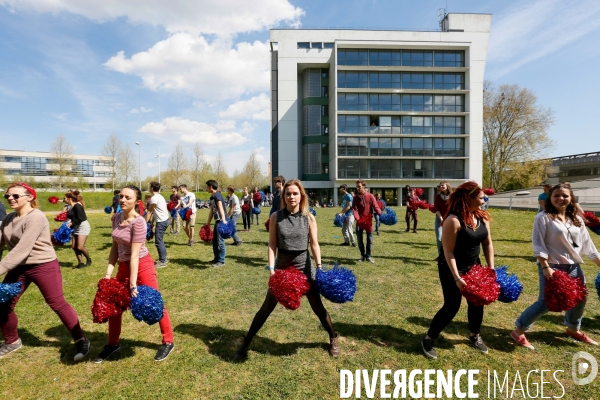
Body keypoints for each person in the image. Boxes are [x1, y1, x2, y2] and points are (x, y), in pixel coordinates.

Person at [234, 179, 339, 360]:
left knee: (318, 307)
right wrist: (272, 269)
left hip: (305, 268)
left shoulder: (309, 217)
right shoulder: (276, 216)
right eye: (288, 193)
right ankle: (246, 342)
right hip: (282, 269)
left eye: (295, 193)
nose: (291, 196)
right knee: (265, 309)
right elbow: (272, 245)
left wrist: (319, 268)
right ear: (284, 196)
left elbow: (314, 245)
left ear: (301, 196)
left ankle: (333, 336)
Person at [0, 182, 90, 361]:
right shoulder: (9, 219)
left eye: (15, 195)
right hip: (18, 267)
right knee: (3, 303)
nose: (10, 198)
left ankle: (81, 339)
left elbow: (22, 250)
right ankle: (12, 341)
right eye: (7, 196)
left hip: (43, 265)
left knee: (57, 303)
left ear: (30, 197)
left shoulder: (36, 217)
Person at [511, 183, 600, 350]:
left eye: (565, 196)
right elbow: (538, 244)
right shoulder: (543, 217)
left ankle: (573, 329)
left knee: (580, 298)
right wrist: (545, 267)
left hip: (574, 267)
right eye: (556, 196)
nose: (561, 198)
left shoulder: (576, 219)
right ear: (550, 198)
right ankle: (518, 331)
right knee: (545, 303)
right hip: (552, 266)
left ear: (571, 198)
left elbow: (589, 246)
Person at [94, 185, 174, 363]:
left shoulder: (139, 222)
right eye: (121, 196)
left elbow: (135, 254)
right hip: (123, 265)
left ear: (136, 201)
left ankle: (168, 341)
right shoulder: (115, 218)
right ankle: (113, 343)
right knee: (115, 304)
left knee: (154, 302)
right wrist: (108, 273)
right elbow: (115, 246)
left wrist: (132, 285)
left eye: (127, 198)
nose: (122, 200)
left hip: (142, 266)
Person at [422, 181, 494, 360]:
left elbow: (487, 242)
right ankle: (428, 338)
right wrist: (456, 277)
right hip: (451, 267)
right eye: (480, 197)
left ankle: (475, 335)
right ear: (468, 199)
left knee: (477, 302)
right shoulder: (453, 220)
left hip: (474, 266)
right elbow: (448, 251)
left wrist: (491, 267)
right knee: (452, 305)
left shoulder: (482, 217)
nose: (484, 198)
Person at [352, 179, 382, 263]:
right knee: (359, 239)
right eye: (357, 187)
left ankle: (368, 256)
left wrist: (380, 214)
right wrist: (358, 219)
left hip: (368, 220)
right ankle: (362, 255)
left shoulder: (370, 196)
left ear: (363, 186)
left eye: (359, 186)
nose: (358, 188)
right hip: (359, 221)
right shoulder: (355, 198)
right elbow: (354, 209)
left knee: (369, 239)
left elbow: (375, 206)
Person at [205, 180, 228, 267]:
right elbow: (212, 211)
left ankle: (221, 261)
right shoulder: (212, 197)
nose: (206, 188)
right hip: (217, 221)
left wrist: (223, 220)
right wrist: (208, 223)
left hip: (221, 221)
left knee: (220, 241)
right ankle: (216, 258)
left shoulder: (217, 196)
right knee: (214, 241)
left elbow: (221, 208)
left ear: (211, 187)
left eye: (207, 187)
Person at [146, 182, 169, 268]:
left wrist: (144, 223)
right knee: (160, 240)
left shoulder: (154, 198)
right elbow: (155, 212)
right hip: (164, 220)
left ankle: (162, 261)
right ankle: (164, 258)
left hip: (162, 221)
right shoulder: (160, 196)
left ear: (152, 188)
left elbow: (149, 212)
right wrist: (151, 223)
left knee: (158, 241)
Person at [66, 192, 92, 268]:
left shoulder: (77, 206)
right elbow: (74, 217)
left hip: (83, 226)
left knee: (80, 247)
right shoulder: (72, 206)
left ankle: (88, 259)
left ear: (69, 199)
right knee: (74, 246)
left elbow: (81, 218)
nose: (64, 200)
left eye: (65, 198)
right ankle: (80, 263)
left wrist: (72, 223)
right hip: (76, 226)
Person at [434, 181, 452, 256]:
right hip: (439, 219)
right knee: (439, 238)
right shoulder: (437, 197)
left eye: (443, 185)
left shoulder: (453, 196)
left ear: (447, 186)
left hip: (451, 219)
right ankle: (441, 255)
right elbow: (437, 209)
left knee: (450, 239)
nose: (441, 187)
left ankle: (449, 255)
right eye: (440, 186)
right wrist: (441, 219)